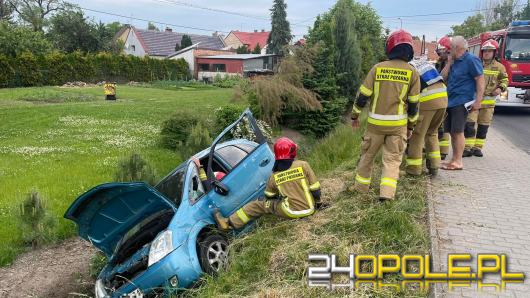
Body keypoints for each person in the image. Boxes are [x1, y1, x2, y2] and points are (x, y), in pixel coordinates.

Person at [350, 29, 420, 202]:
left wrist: (355, 115)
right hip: (398, 127)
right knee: (392, 160)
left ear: (390, 47)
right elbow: (414, 105)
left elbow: (363, 95)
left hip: (375, 125)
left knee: (367, 157)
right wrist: (410, 126)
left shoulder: (377, 68)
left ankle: (360, 188)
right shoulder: (412, 72)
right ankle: (386, 195)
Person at [213, 137, 322, 231]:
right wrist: (318, 204)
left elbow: (269, 196)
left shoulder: (274, 176)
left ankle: (228, 223)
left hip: (291, 212)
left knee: (258, 204)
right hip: (310, 208)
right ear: (292, 152)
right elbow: (315, 189)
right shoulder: (303, 165)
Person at [440, 36, 485, 170]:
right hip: (451, 101)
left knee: (458, 131)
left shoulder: (471, 60)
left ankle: (458, 161)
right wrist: (449, 63)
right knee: (453, 132)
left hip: (462, 100)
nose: (448, 51)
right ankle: (453, 160)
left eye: (450, 48)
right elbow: (442, 77)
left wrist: (478, 101)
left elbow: (480, 80)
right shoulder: (454, 61)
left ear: (457, 48)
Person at [463, 39, 508, 157]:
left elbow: (505, 80)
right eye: (485, 51)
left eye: (489, 51)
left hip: (488, 103)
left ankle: (477, 148)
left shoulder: (500, 67)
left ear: (495, 53)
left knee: (483, 126)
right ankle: (467, 148)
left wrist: (500, 88)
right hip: (474, 100)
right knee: (469, 124)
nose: (486, 53)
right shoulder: (476, 63)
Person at [406, 60, 448, 176]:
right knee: (432, 132)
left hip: (427, 99)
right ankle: (434, 166)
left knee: (417, 135)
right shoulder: (423, 62)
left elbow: (409, 94)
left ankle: (413, 170)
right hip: (443, 98)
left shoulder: (408, 68)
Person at [435, 36, 452, 160]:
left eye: (442, 51)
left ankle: (443, 151)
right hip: (440, 96)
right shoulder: (439, 62)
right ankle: (438, 149)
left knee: (445, 125)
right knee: (439, 124)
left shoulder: (453, 64)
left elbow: (442, 77)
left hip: (449, 97)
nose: (440, 54)